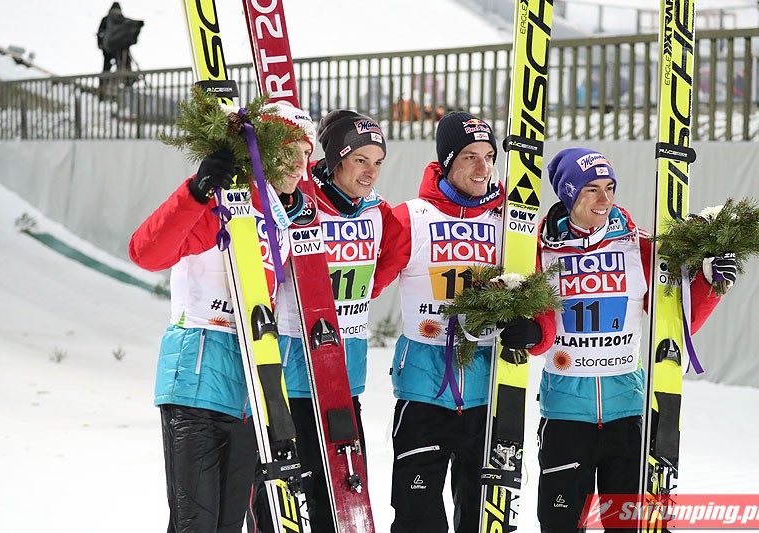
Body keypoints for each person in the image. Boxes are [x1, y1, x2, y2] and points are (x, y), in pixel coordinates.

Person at [498, 147, 735, 532]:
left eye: (609, 188)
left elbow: (675, 323)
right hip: (565, 415)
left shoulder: (640, 247)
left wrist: (709, 283)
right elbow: (543, 327)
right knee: (560, 524)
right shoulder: (541, 249)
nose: (604, 199)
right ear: (570, 193)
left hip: (626, 413)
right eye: (591, 189)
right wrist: (530, 334)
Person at [128, 102, 316, 533]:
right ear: (262, 152)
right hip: (196, 381)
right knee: (196, 523)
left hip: (249, 389)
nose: (300, 167)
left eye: (306, 155)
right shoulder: (219, 202)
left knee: (230, 524)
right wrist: (196, 192)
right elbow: (146, 252)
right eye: (290, 153)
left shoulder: (282, 221)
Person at [372, 111, 504, 533]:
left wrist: (534, 330)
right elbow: (366, 285)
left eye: (489, 156)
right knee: (418, 519)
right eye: (470, 156)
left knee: (482, 519)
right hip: (423, 392)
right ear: (447, 162)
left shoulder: (509, 223)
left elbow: (541, 297)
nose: (483, 168)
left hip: (489, 392)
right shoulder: (410, 217)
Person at [272, 109, 389, 533]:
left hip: (345, 377)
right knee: (292, 498)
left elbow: (383, 269)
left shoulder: (378, 211)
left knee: (343, 490)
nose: (370, 172)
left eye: (377, 162)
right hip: (294, 373)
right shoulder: (298, 203)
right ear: (337, 159)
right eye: (360, 160)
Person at [97, 2, 143, 73]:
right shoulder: (121, 19)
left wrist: (100, 44)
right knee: (122, 61)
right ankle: (125, 74)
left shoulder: (107, 19)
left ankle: (105, 78)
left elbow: (100, 33)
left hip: (109, 46)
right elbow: (129, 23)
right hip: (118, 45)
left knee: (108, 64)